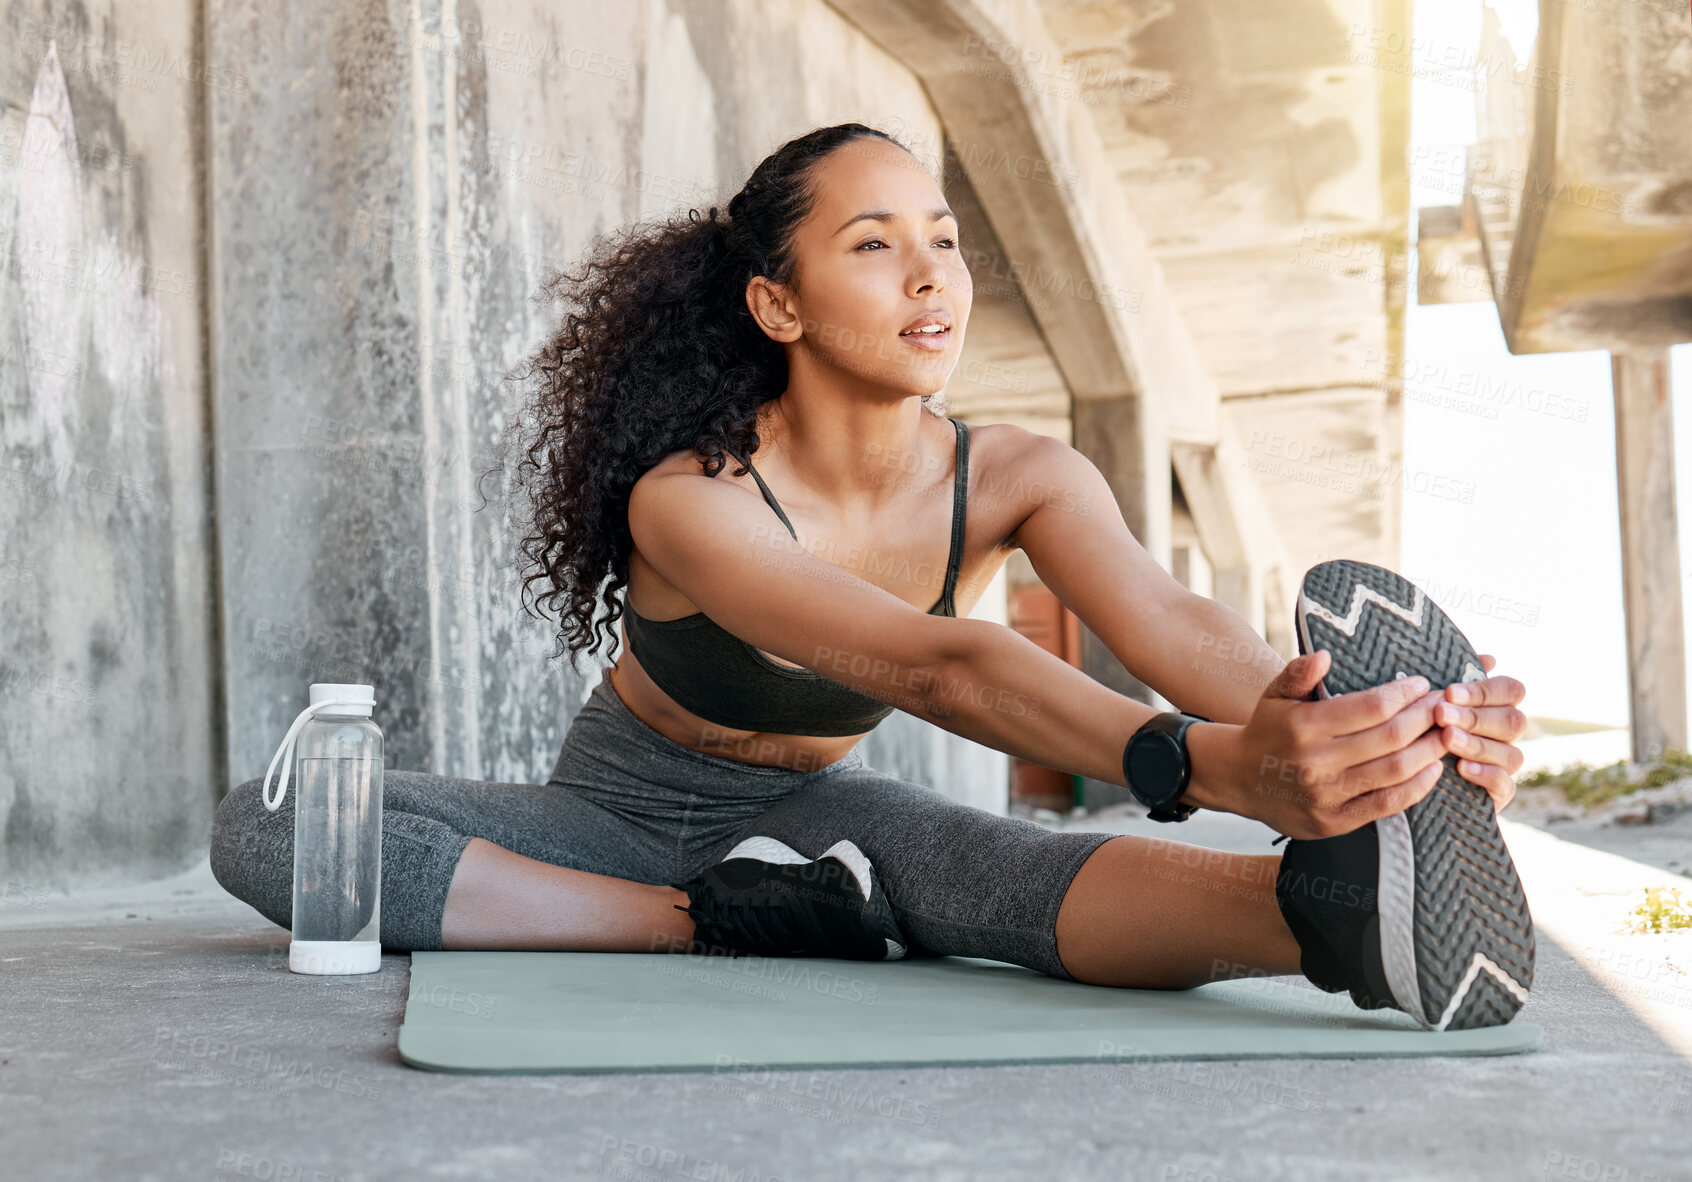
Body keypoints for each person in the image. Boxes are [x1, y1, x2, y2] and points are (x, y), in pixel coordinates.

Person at [211, 123, 1530, 1024]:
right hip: (614, 828)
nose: (929, 273)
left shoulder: (1017, 474)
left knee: (993, 870)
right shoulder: (692, 499)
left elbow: (1167, 616)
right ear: (778, 306)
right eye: (872, 243)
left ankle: (1336, 917)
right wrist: (1195, 764)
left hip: (815, 822)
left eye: (945, 238)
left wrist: (1343, 725)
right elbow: (931, 660)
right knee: (269, 827)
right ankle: (697, 924)